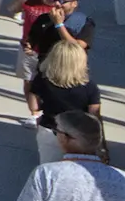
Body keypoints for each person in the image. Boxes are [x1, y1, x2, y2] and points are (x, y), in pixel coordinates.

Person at [27, 35, 104, 166]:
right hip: (79, 135)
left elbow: (34, 106)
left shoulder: (42, 80)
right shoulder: (90, 87)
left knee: (49, 168)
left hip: (50, 130)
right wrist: (102, 146)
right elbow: (95, 117)